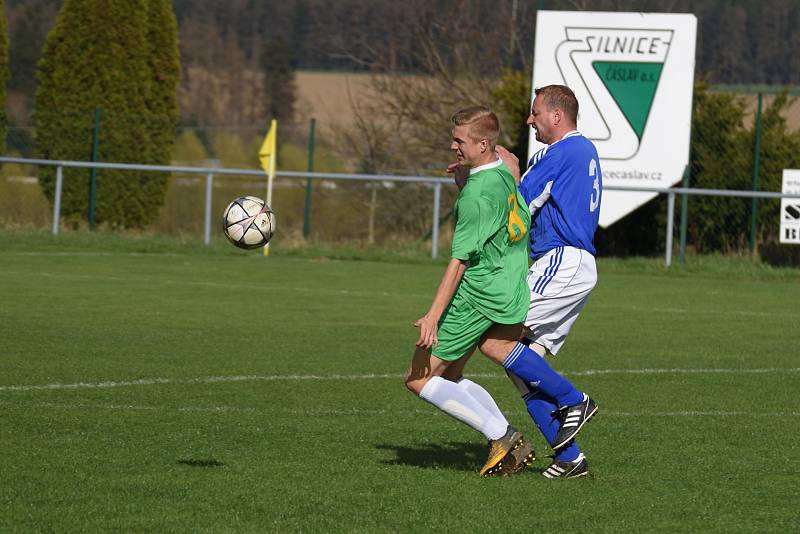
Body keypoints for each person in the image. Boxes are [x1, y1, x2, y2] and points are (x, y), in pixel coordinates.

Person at [404, 106, 536, 477]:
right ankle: (511, 442)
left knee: (418, 378)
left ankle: (502, 436)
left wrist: (432, 316)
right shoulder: (506, 166)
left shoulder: (476, 197)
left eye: (459, 141)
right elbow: (506, 164)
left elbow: (459, 262)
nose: (452, 147)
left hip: (478, 295)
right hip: (511, 288)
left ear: (481, 143)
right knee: (449, 376)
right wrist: (467, 174)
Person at [496, 84, 602, 479]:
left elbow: (519, 203)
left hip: (562, 261)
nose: (530, 119)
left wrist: (503, 173)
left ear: (557, 116)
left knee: (497, 335)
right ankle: (570, 457)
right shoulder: (579, 150)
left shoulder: (562, 152)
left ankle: (575, 399)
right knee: (520, 362)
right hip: (570, 264)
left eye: (535, 112)